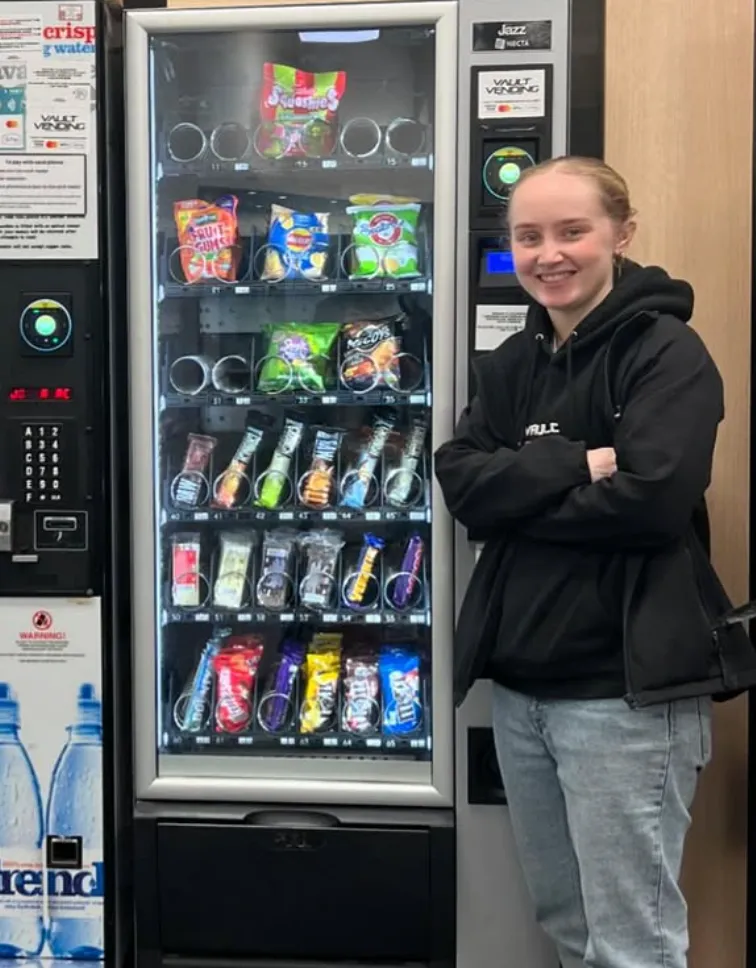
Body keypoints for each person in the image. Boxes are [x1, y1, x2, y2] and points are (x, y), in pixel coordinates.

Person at [434, 156, 756, 968]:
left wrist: (520, 497)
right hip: (521, 694)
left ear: (622, 232)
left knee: (633, 943)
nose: (549, 254)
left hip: (627, 698)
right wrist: (579, 464)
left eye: (572, 231)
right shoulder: (511, 364)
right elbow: (463, 483)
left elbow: (649, 504)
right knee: (570, 927)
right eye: (528, 237)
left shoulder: (665, 353)